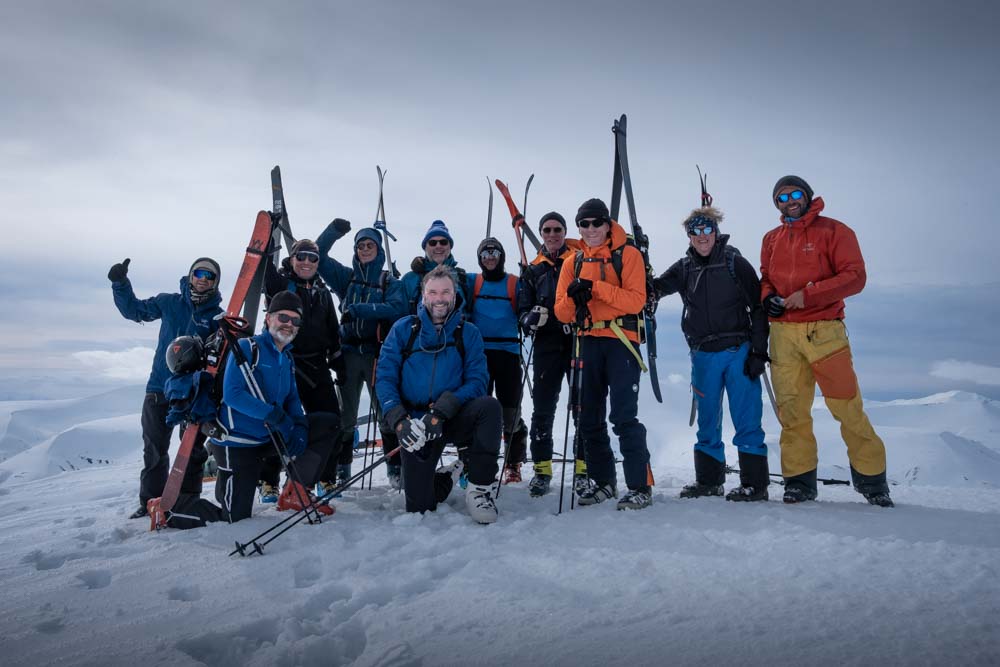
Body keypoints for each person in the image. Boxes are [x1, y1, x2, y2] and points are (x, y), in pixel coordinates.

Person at [761, 175, 893, 507]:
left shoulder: (835, 231)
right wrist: (768, 299)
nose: (789, 200)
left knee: (847, 406)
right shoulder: (772, 238)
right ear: (776, 203)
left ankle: (873, 482)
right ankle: (799, 483)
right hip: (782, 333)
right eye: (781, 197)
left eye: (795, 194)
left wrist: (808, 295)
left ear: (806, 196)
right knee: (791, 412)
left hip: (825, 331)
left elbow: (855, 276)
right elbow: (766, 278)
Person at [653, 207, 770, 501]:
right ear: (689, 236)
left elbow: (758, 308)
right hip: (703, 353)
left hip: (738, 350)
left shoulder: (735, 263)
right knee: (707, 420)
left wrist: (758, 351)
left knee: (746, 417)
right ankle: (709, 482)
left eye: (707, 229)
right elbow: (654, 289)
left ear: (716, 232)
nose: (702, 236)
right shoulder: (684, 268)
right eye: (696, 231)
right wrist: (638, 266)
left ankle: (755, 485)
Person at [375, 265, 502, 524]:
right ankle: (445, 477)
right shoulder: (402, 330)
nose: (440, 298)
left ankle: (480, 488)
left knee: (489, 407)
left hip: (451, 417)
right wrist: (400, 420)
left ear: (454, 295)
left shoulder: (469, 333)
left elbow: (478, 381)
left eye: (446, 292)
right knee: (419, 508)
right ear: (424, 296)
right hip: (416, 425)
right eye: (433, 292)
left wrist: (443, 409)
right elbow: (385, 377)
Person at [553, 198, 653, 510]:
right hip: (587, 341)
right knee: (587, 417)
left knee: (624, 417)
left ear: (608, 224)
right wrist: (574, 297)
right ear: (579, 227)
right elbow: (561, 313)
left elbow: (636, 301)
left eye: (597, 222)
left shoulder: (629, 255)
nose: (591, 229)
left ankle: (640, 486)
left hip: (621, 341)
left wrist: (595, 288)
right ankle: (602, 481)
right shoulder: (573, 262)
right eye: (585, 224)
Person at [208, 291, 340, 523]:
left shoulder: (286, 358)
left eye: (295, 320)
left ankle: (296, 492)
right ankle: (173, 509)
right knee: (234, 518)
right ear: (268, 318)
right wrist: (274, 415)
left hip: (266, 438)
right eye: (283, 317)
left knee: (326, 424)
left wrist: (298, 425)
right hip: (238, 441)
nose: (288, 324)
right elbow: (233, 395)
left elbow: (292, 399)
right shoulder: (247, 347)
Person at [109, 256, 223, 519]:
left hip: (191, 393)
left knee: (191, 449)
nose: (203, 279)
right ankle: (150, 501)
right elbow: (135, 311)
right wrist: (120, 283)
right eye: (199, 273)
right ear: (191, 275)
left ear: (215, 282)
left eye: (209, 276)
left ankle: (186, 500)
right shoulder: (170, 302)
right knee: (154, 448)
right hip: (159, 387)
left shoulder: (217, 316)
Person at [317, 219, 406, 490]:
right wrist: (333, 231)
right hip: (348, 353)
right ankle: (342, 469)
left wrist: (361, 310)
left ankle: (395, 468)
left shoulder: (389, 281)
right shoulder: (346, 278)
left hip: (378, 353)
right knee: (346, 415)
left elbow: (398, 309)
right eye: (361, 246)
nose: (365, 249)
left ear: (379, 250)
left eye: (370, 245)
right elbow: (318, 257)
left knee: (385, 411)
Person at [257, 238, 344, 500]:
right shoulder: (282, 284)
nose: (307, 262)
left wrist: (337, 358)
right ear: (292, 259)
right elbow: (265, 273)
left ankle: (325, 478)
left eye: (313, 258)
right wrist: (268, 239)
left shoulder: (323, 292)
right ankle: (269, 480)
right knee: (278, 418)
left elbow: (332, 328)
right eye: (301, 256)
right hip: (285, 361)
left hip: (316, 364)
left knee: (330, 420)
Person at [516, 212, 585, 498]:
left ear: (564, 231)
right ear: (542, 234)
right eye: (547, 230)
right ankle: (542, 470)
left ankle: (583, 470)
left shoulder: (581, 260)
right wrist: (530, 318)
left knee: (583, 406)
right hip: (546, 344)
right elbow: (521, 310)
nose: (553, 234)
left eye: (557, 229)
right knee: (543, 408)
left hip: (578, 340)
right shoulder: (533, 270)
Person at [469, 237, 529, 484]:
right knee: (477, 412)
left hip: (507, 353)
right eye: (485, 253)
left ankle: (513, 463)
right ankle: (480, 462)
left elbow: (526, 306)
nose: (490, 257)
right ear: (480, 258)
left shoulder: (514, 283)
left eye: (494, 252)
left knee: (510, 411)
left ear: (502, 256)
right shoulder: (472, 281)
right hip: (479, 355)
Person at [399, 220, 472, 316]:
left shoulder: (463, 278)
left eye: (443, 242)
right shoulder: (409, 279)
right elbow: (402, 316)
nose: (438, 246)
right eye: (432, 243)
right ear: (425, 248)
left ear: (450, 247)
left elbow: (470, 313)